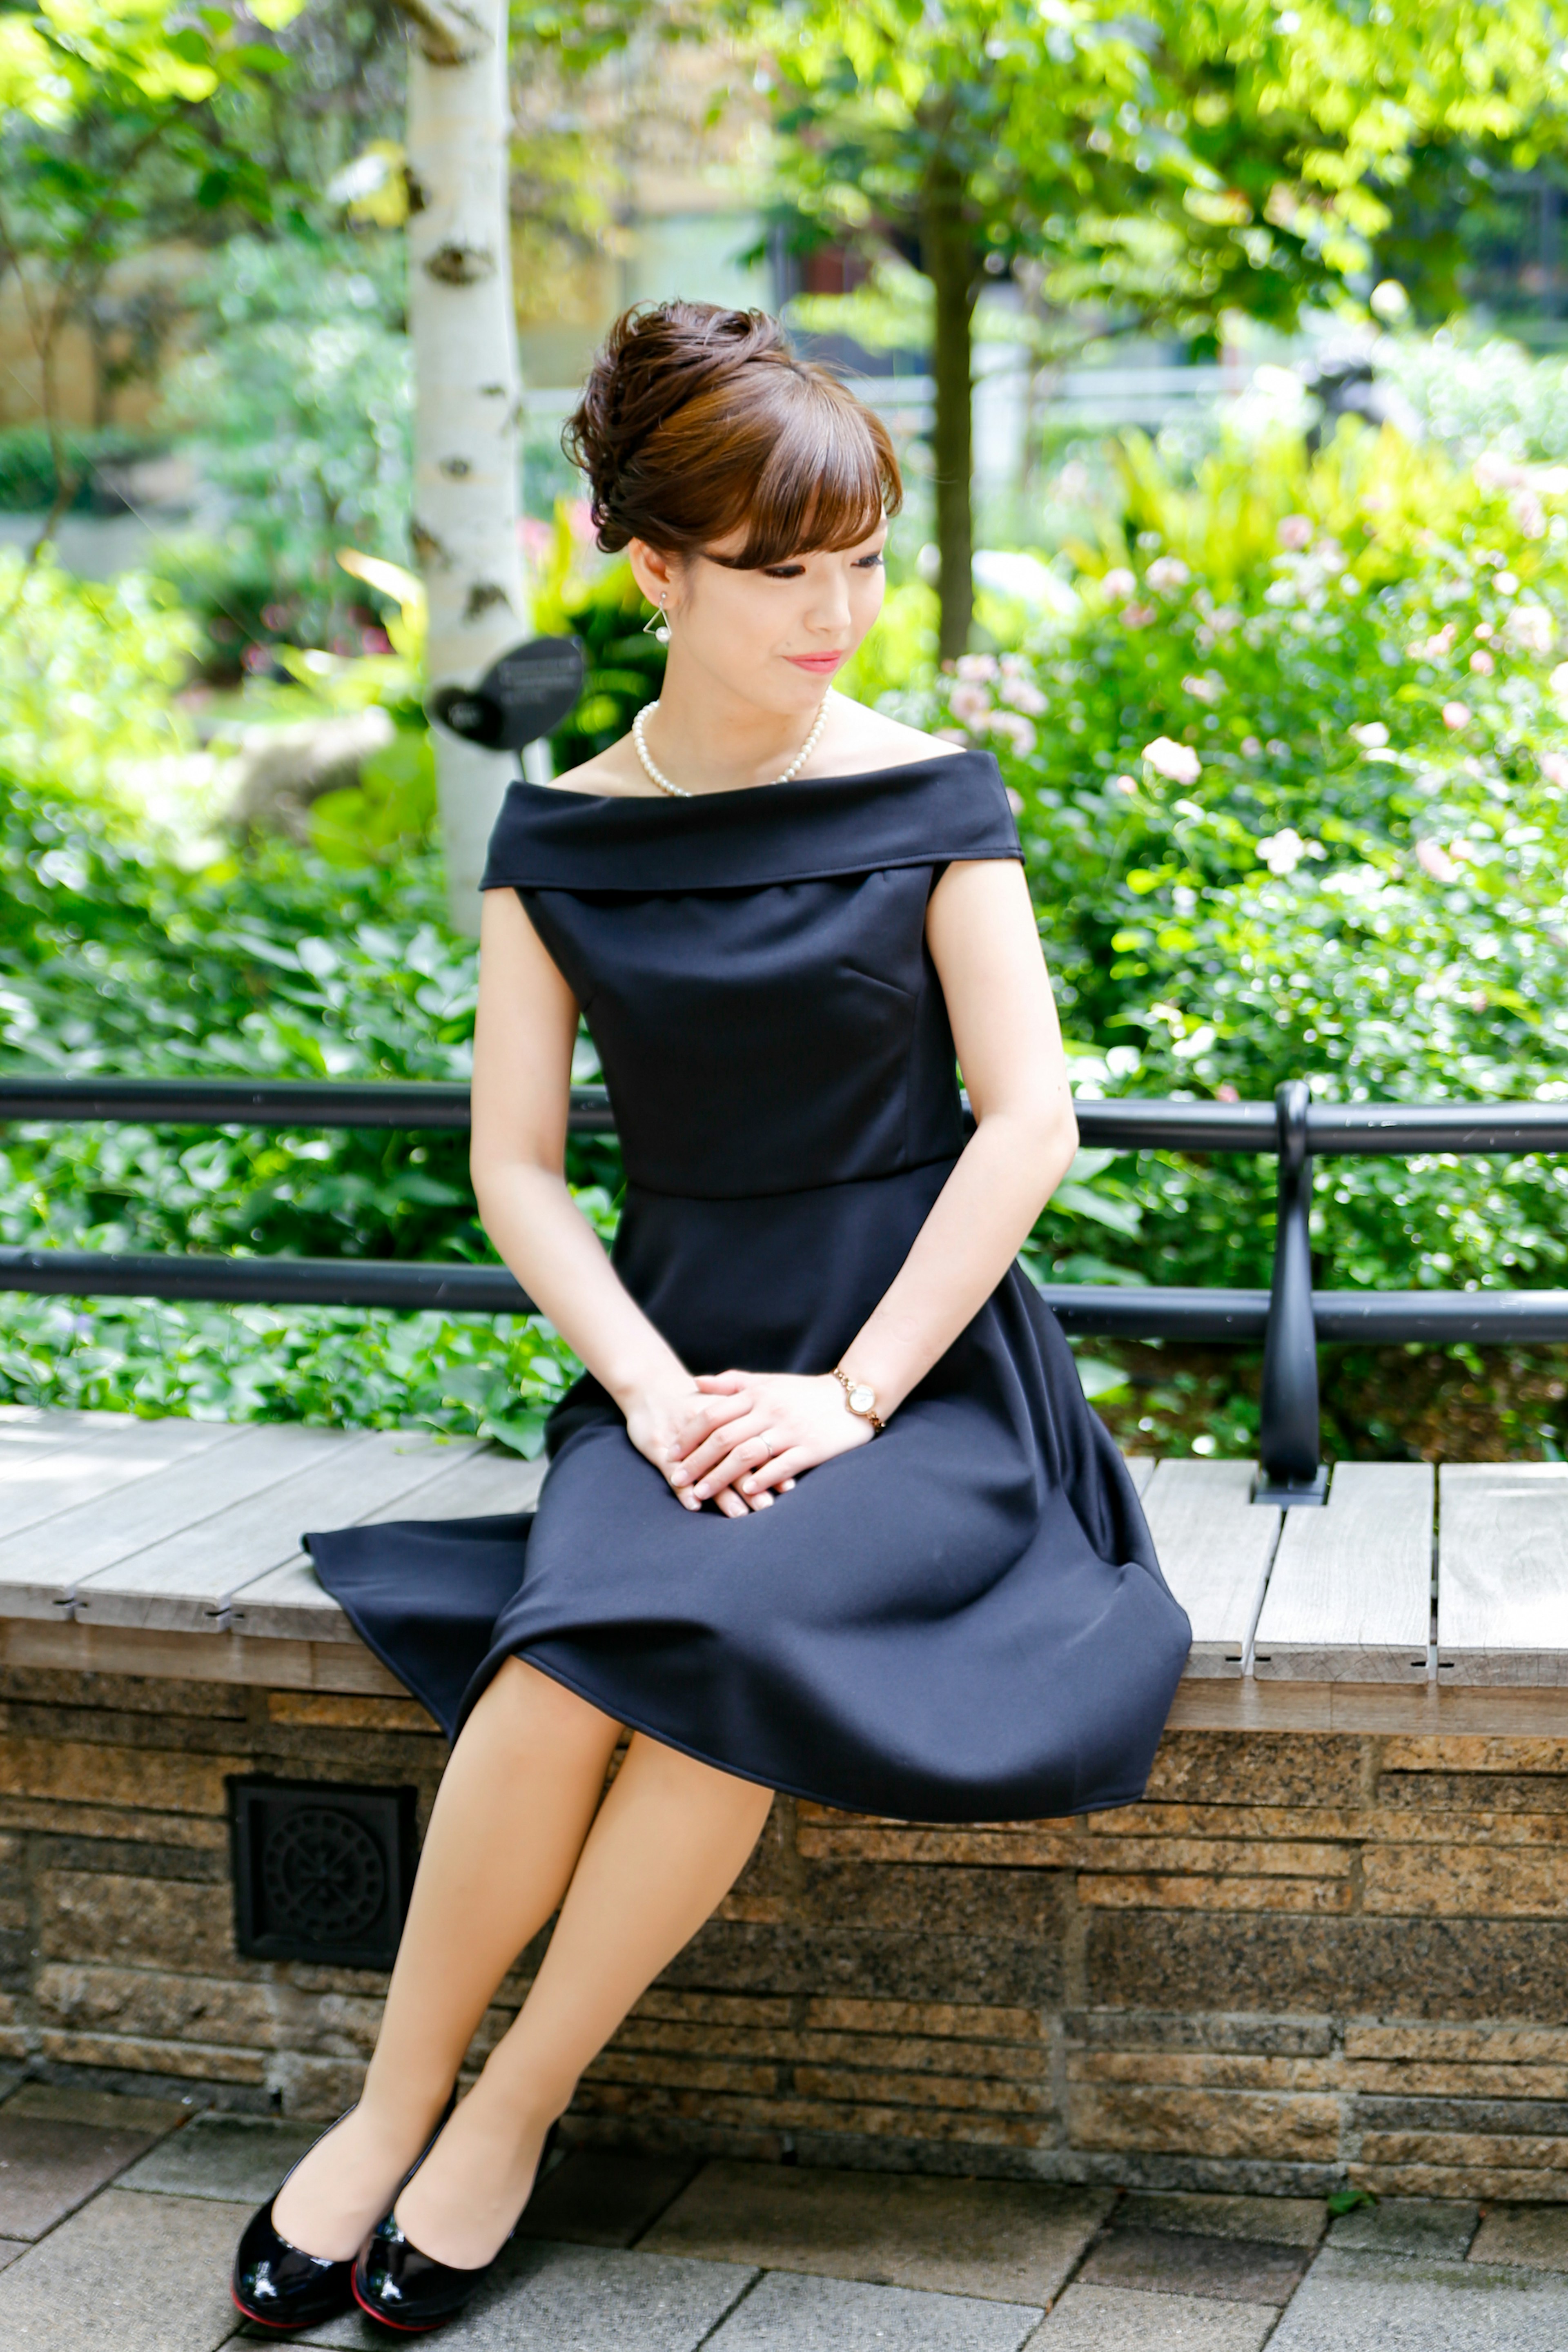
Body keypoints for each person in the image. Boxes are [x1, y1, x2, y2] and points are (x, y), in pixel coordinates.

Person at [231, 300, 1190, 2335]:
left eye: (861, 559)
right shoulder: (560, 834)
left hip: (917, 1379)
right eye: (781, 571)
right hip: (672, 1354)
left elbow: (1027, 1125)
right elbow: (516, 1169)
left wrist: (845, 1397)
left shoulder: (936, 793)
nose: (838, 609)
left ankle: (514, 2116)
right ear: (655, 566)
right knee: (575, 1651)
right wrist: (657, 1396)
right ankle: (390, 2112)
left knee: (718, 1625)